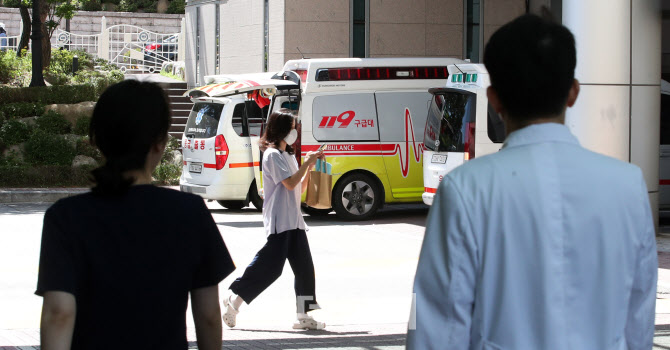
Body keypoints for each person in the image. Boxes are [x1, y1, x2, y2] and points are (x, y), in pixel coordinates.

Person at [407, 14, 657, 350]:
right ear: (573, 92)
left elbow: (436, 325)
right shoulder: (627, 185)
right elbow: (638, 321)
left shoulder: (465, 189)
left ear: (494, 99)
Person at [36, 80, 236, 350]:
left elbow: (59, 312)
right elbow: (209, 315)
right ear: (159, 142)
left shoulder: (64, 218)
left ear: (97, 140)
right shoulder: (189, 212)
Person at [222, 108, 326, 330]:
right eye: (291, 128)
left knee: (305, 269)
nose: (294, 132)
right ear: (280, 130)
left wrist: (309, 167)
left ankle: (303, 315)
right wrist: (306, 164)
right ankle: (234, 300)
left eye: (295, 128)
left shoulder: (287, 156)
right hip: (280, 223)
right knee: (269, 269)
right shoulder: (272, 155)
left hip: (295, 221)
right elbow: (288, 183)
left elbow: (299, 186)